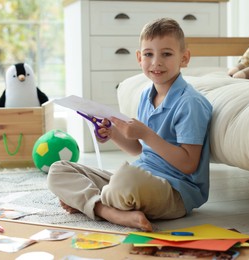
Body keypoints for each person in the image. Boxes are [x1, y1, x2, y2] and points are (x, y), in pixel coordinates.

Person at [47, 18, 212, 231]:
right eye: (148, 54)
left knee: (124, 179)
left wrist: (146, 133)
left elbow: (188, 164)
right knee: (59, 170)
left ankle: (89, 203)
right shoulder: (146, 95)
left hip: (175, 190)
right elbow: (137, 149)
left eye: (167, 54)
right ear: (139, 57)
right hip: (140, 177)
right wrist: (114, 133)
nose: (156, 62)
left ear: (184, 58)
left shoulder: (190, 103)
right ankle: (106, 210)